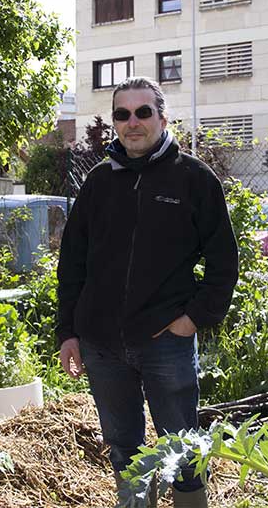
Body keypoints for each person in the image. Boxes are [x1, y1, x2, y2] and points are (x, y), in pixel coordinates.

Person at [56, 76, 238, 508]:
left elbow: (224, 262)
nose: (132, 122)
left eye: (143, 112)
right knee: (125, 451)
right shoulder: (99, 182)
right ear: (114, 121)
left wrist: (192, 320)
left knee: (183, 452)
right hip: (101, 347)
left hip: (165, 343)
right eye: (122, 114)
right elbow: (72, 263)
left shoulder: (194, 178)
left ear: (162, 117)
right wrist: (68, 332)